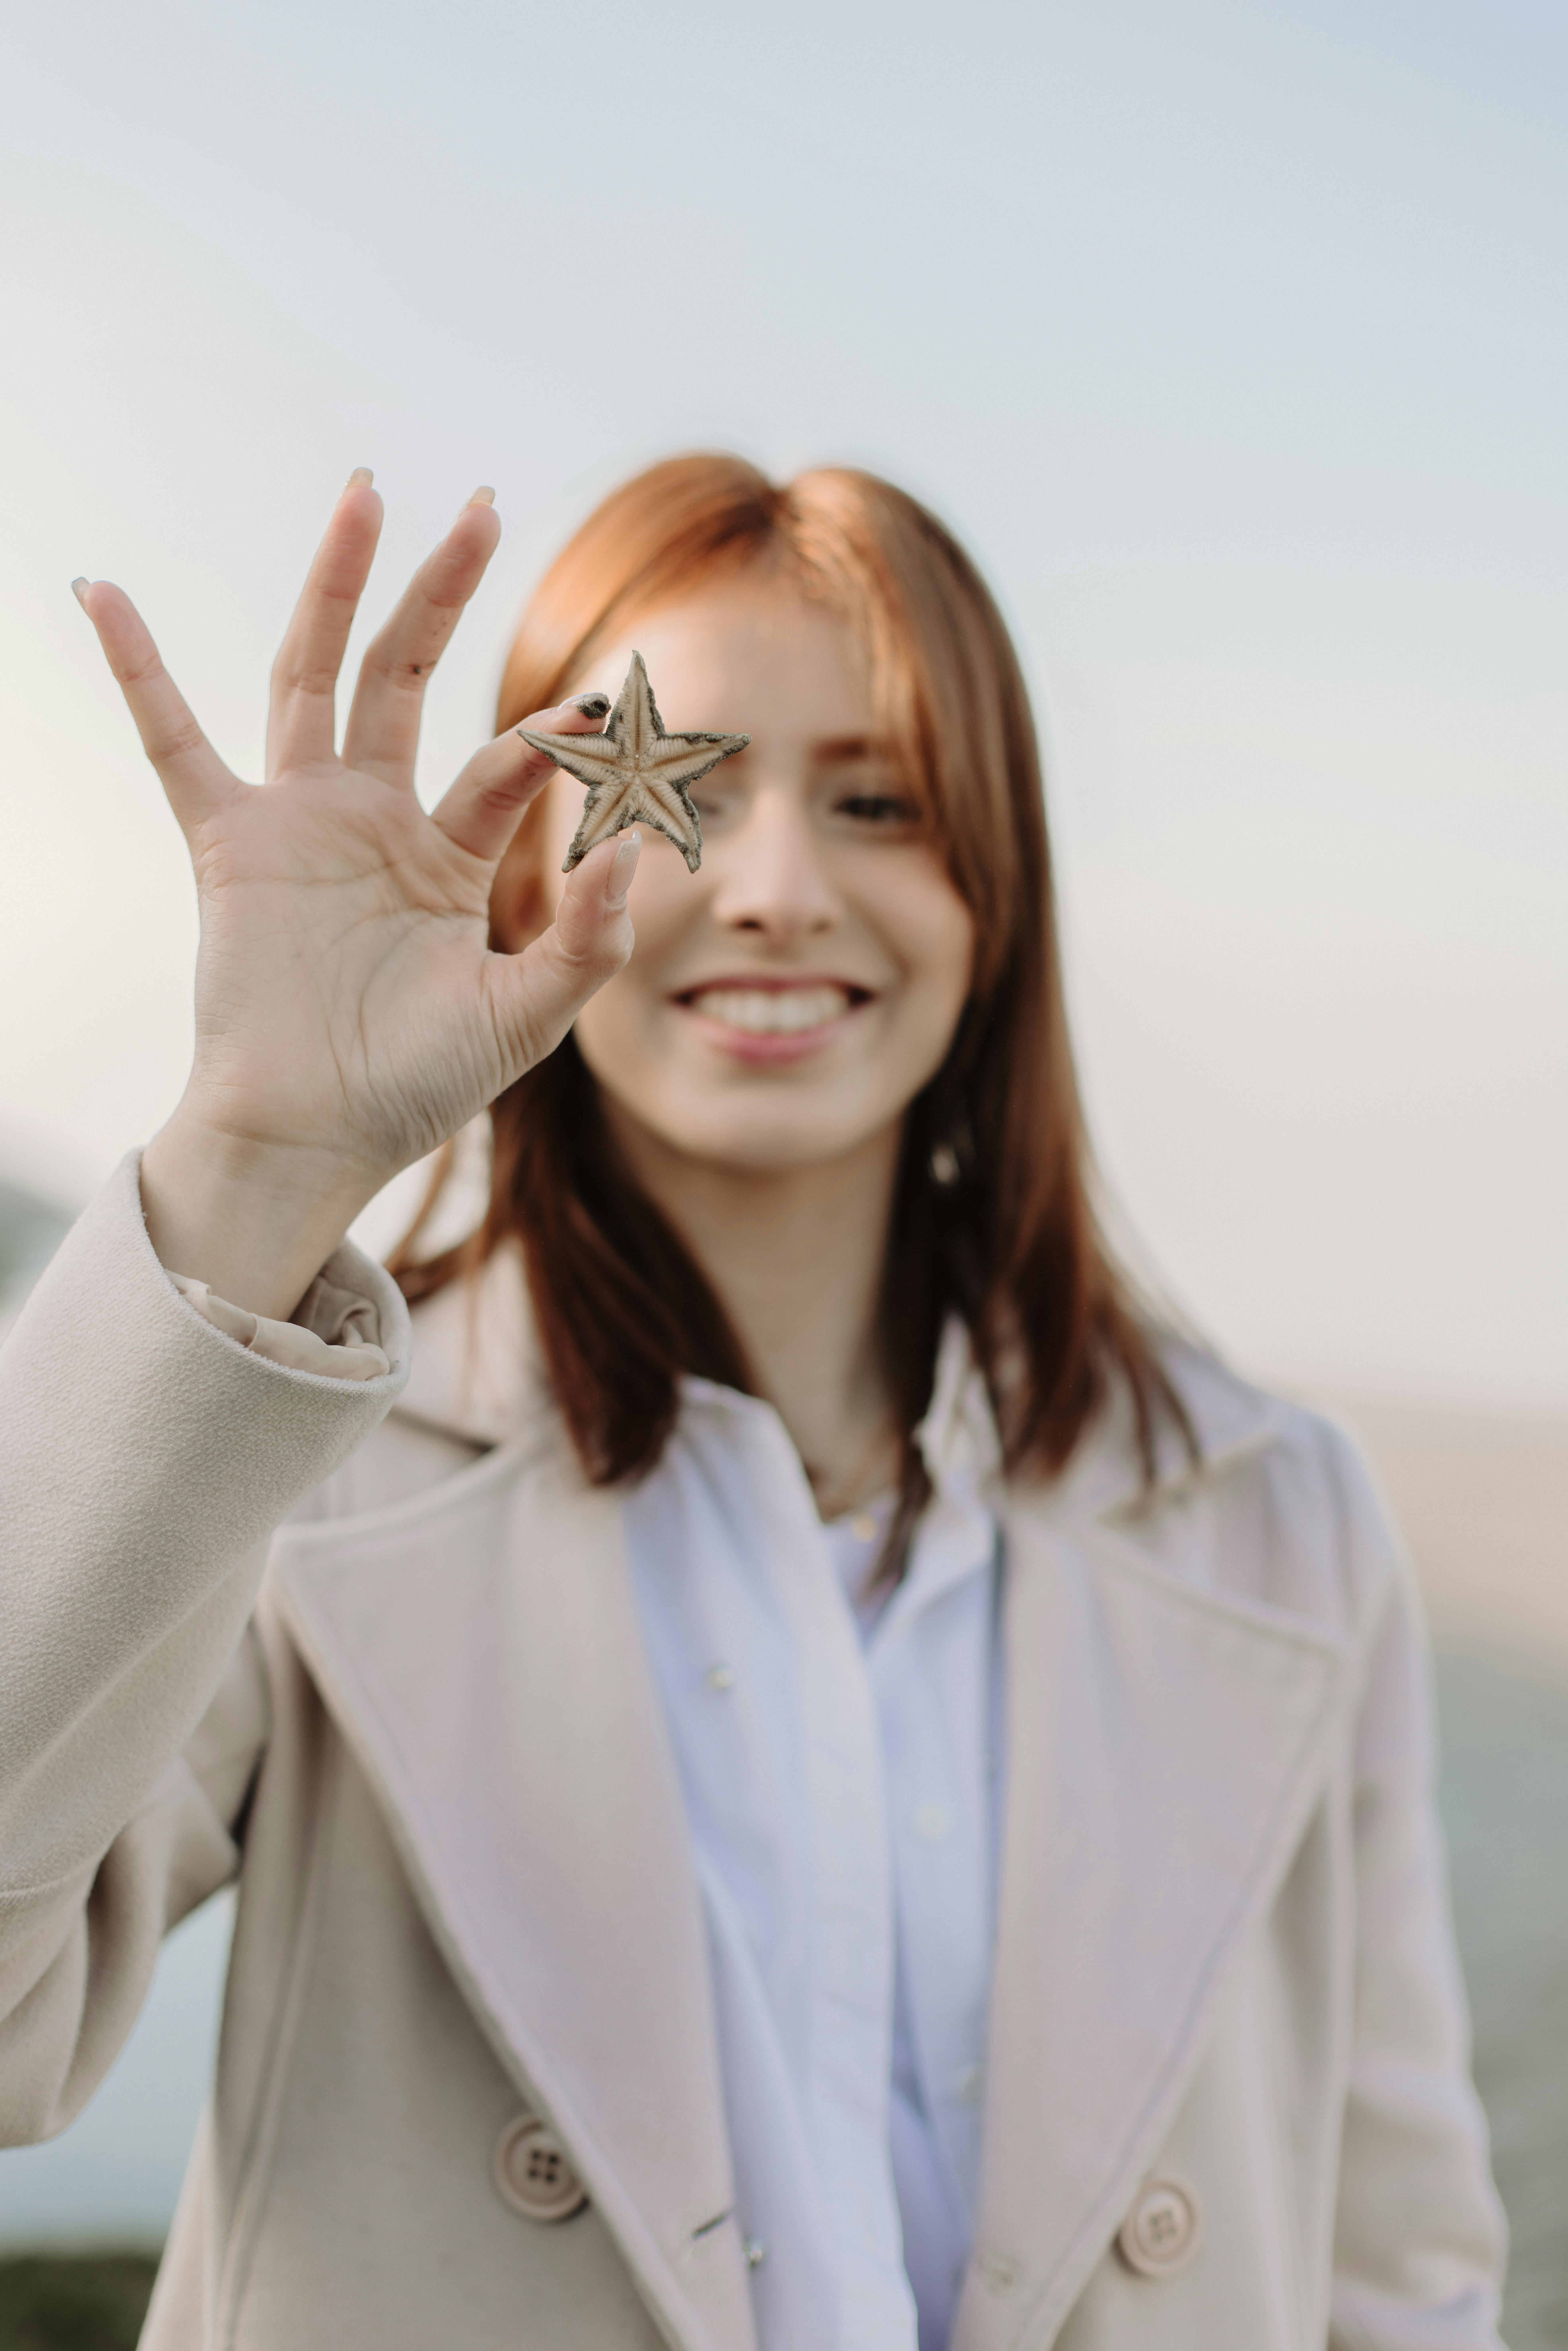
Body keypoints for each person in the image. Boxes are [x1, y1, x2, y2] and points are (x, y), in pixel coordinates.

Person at [0, 455, 1506, 2351]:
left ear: (997, 884)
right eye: (680, 788)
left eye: (878, 800)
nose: (780, 889)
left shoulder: (1278, 1517)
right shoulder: (303, 1466)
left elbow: (1403, 2265)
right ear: (526, 859)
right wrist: (253, 1157)